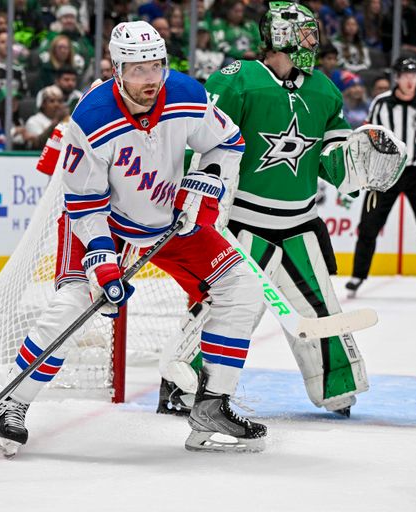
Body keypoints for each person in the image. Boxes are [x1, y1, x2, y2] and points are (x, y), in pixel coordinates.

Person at [0, 20, 267, 456]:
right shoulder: (92, 117)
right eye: (138, 69)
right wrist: (102, 260)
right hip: (104, 222)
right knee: (72, 304)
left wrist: (204, 178)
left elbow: (228, 142)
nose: (150, 79)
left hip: (170, 219)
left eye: (156, 66)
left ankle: (213, 404)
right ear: (117, 69)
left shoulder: (187, 95)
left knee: (244, 287)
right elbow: (83, 201)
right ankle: (13, 402)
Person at [160, 1, 381, 419]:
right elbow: (204, 143)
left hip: (300, 224)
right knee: (224, 308)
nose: (312, 43)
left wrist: (358, 166)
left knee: (319, 308)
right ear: (279, 37)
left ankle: (337, 388)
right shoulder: (238, 81)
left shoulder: (323, 90)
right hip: (243, 224)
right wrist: (195, 199)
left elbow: (334, 157)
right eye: (304, 35)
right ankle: (182, 386)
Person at [347, 57, 416, 300]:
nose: (409, 80)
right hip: (386, 172)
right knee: (369, 225)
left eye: (413, 76)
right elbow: (366, 137)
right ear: (396, 77)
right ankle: (357, 275)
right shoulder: (381, 104)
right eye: (405, 75)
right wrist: (365, 169)